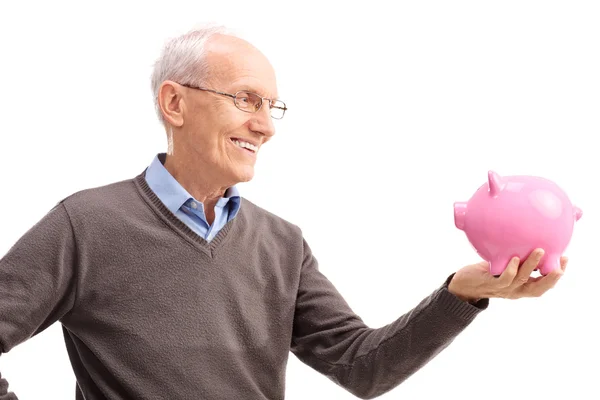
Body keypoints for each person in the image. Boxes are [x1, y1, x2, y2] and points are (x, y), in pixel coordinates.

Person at [0, 25, 567, 400]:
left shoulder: (282, 244)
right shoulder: (86, 224)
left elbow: (361, 367)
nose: (266, 125)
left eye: (272, 107)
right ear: (174, 103)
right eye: (245, 100)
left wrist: (462, 293)